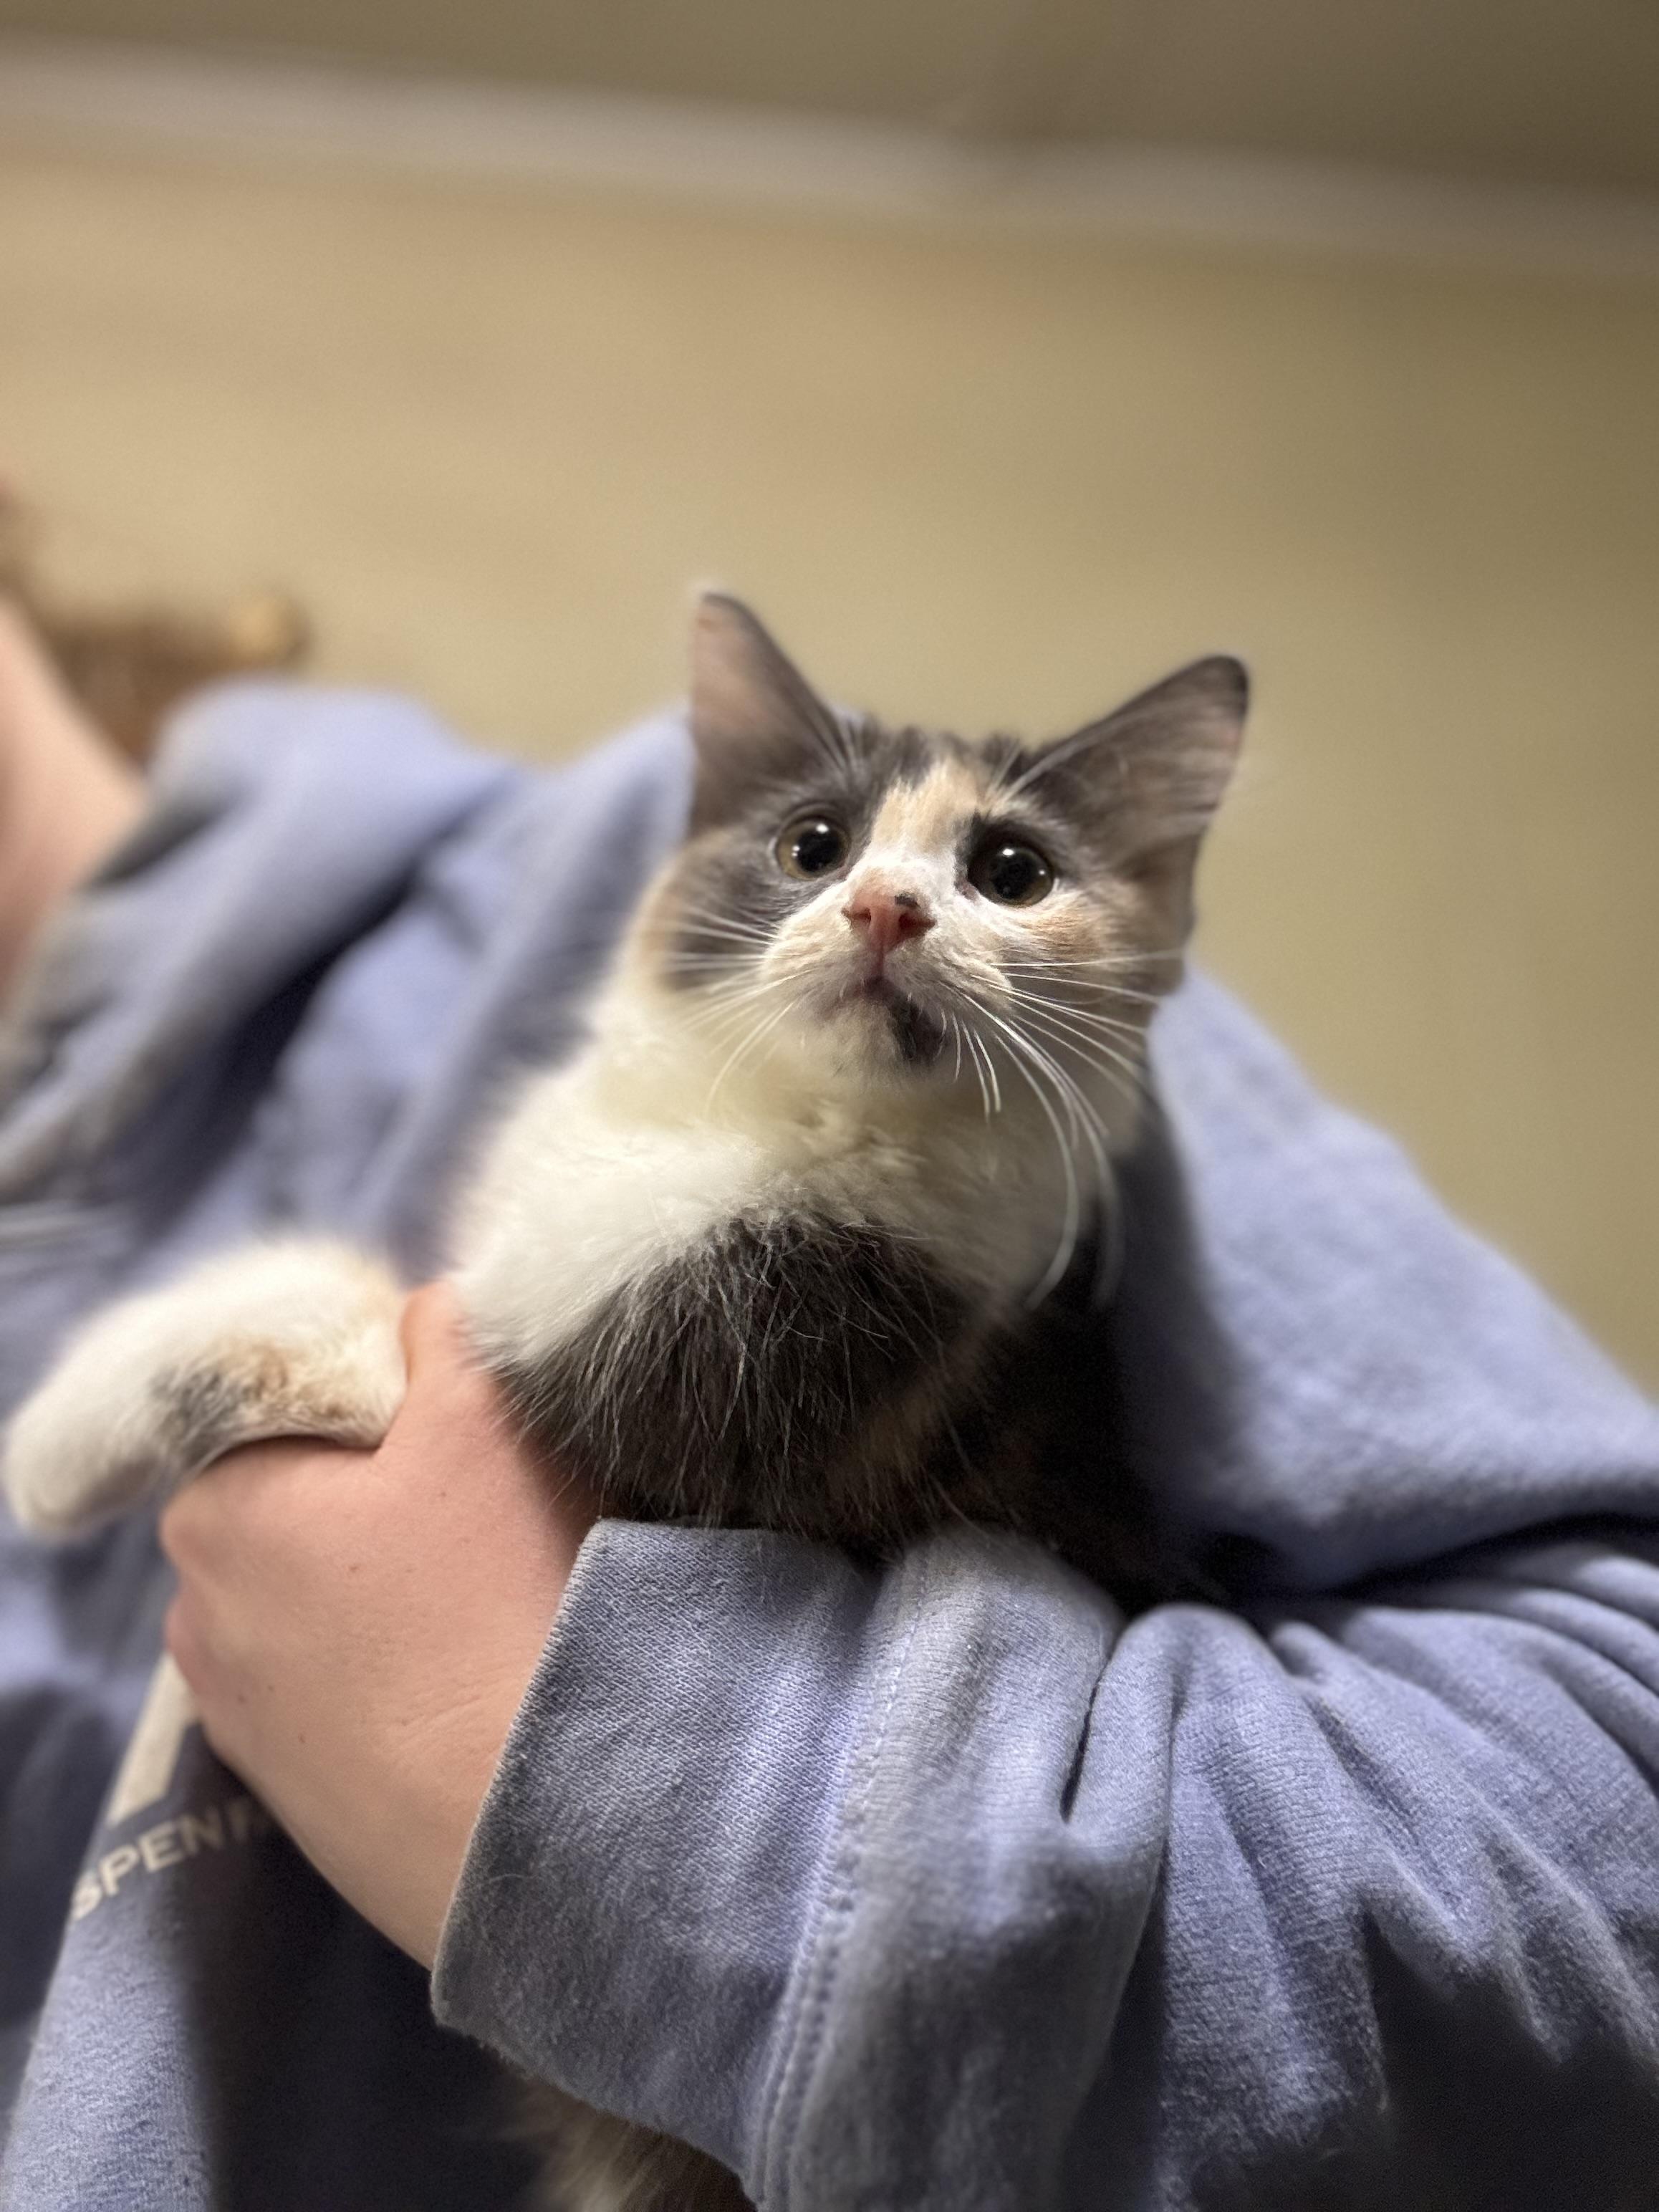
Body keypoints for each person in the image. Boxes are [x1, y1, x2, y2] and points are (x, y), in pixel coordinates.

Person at [2, 597, 1658, 2212]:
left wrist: (614, 1792)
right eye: (812, 848)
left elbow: (1605, 1792)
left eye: (1006, 869)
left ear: (1149, 894)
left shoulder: (1006, 1139)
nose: (885, 897)